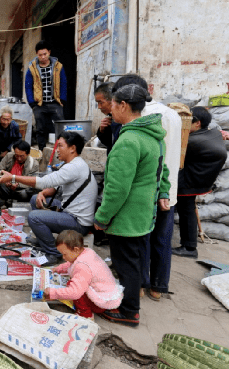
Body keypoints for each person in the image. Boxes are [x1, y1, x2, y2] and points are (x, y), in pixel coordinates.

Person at [94, 84, 170, 327]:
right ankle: (131, 305)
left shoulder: (128, 141)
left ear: (123, 106)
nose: (110, 111)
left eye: (112, 106)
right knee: (135, 261)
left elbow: (117, 189)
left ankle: (129, 311)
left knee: (125, 264)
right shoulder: (153, 136)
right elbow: (163, 169)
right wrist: (165, 191)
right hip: (144, 214)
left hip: (126, 217)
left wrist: (102, 217)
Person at [112, 75, 181, 302]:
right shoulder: (174, 115)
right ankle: (158, 288)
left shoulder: (142, 120)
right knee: (162, 240)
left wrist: (103, 217)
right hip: (166, 188)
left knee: (139, 243)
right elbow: (171, 158)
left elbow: (123, 180)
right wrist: (165, 189)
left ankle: (138, 287)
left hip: (145, 191)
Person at [0, 131, 98, 266]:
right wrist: (43, 193)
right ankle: (42, 240)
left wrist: (13, 177)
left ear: (72, 148)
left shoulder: (74, 167)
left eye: (60, 146)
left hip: (78, 223)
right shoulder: (73, 164)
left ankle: (53, 253)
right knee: (35, 198)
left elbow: (44, 182)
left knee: (34, 217)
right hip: (69, 212)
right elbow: (55, 186)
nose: (57, 150)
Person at [173, 106, 227, 259]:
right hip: (200, 179)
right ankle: (188, 245)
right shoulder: (214, 133)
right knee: (186, 211)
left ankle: (189, 248)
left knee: (185, 212)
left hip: (190, 181)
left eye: (187, 122)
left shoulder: (192, 141)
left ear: (197, 124)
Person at [44, 231, 123, 320]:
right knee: (77, 282)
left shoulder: (82, 266)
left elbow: (75, 293)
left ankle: (85, 314)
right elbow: (71, 263)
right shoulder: (87, 252)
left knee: (74, 286)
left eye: (64, 254)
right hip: (108, 294)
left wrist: (53, 293)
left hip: (101, 302)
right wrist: (59, 269)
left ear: (76, 249)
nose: (63, 257)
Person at [25, 40, 67, 150]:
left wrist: (62, 99)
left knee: (60, 127)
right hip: (39, 104)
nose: (43, 57)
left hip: (55, 102)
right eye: (40, 55)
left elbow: (63, 82)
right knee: (40, 129)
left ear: (49, 52)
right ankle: (42, 151)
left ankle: (61, 149)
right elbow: (28, 86)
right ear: (36, 55)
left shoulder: (58, 66)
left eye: (45, 54)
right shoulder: (32, 68)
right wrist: (32, 103)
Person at [0, 140, 39, 208]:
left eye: (21, 156)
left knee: (26, 192)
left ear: (28, 154)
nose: (19, 158)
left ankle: (16, 204)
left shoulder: (34, 164)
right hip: (7, 186)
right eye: (17, 155)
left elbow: (32, 181)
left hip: (21, 189)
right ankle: (2, 205)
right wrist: (2, 179)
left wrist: (17, 184)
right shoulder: (9, 156)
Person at [94, 82, 121, 154]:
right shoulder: (111, 118)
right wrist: (102, 131)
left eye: (101, 102)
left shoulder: (122, 120)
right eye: (97, 103)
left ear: (112, 100)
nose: (99, 107)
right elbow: (108, 142)